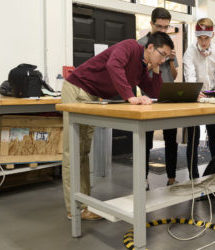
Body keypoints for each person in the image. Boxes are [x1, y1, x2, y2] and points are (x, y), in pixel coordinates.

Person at [62, 32, 174, 220]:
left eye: (167, 57)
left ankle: (83, 204)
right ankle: (74, 210)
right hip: (77, 89)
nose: (163, 60)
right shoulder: (130, 46)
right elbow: (113, 65)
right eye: (162, 54)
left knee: (83, 152)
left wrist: (156, 70)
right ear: (150, 47)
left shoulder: (142, 68)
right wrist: (129, 96)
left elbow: (154, 91)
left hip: (92, 97)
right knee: (72, 152)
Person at [138, 7, 179, 190]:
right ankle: (143, 179)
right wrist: (153, 62)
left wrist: (169, 59)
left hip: (168, 97)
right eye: (159, 26)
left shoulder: (169, 43)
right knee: (145, 141)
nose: (163, 31)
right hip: (148, 98)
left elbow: (175, 75)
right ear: (151, 24)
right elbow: (137, 74)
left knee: (171, 139)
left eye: (166, 27)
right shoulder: (141, 44)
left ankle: (171, 177)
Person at [183, 17, 215, 179]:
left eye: (206, 38)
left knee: (214, 136)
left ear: (211, 35)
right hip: (194, 96)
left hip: (211, 95)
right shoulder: (190, 50)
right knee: (194, 138)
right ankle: (194, 176)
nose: (203, 42)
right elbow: (189, 74)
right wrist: (194, 91)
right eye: (200, 38)